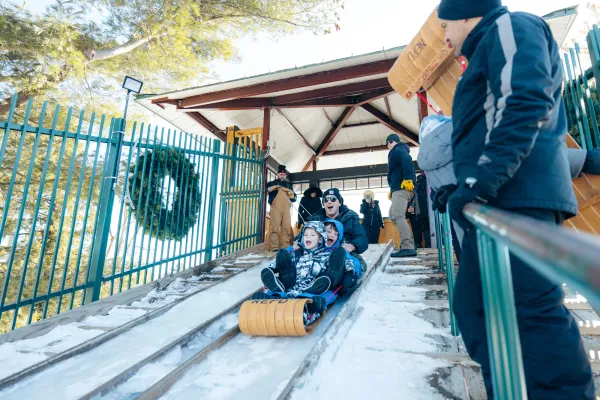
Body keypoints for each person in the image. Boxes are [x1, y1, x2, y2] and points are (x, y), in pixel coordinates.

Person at [438, 0, 595, 398]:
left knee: (532, 316)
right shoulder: (487, 47)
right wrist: (462, 187)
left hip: (516, 196)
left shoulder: (511, 26)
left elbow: (523, 100)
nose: (444, 37)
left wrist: (479, 180)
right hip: (495, 197)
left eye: (445, 26)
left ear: (465, 13)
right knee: (476, 311)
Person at [256, 221, 348, 322]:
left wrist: (350, 272)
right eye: (305, 234)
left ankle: (305, 311)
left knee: (316, 301)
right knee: (284, 261)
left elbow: (342, 265)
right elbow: (281, 264)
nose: (308, 237)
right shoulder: (297, 253)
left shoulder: (327, 255)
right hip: (292, 287)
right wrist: (271, 269)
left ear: (320, 238)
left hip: (312, 291)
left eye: (313, 235)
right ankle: (273, 297)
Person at [306, 188, 369, 294]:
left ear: (339, 202)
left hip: (343, 253)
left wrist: (352, 246)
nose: (329, 202)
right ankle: (286, 277)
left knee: (351, 264)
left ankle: (336, 280)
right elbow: (302, 236)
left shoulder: (350, 217)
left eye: (333, 199)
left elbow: (362, 238)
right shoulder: (316, 219)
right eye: (326, 200)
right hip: (318, 254)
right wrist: (297, 243)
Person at [386, 134, 417, 258]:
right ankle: (410, 244)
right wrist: (393, 189)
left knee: (397, 215)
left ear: (390, 142)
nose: (387, 146)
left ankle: (407, 247)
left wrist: (409, 179)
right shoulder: (398, 150)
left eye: (387, 144)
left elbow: (407, 159)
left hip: (402, 188)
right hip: (398, 189)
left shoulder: (398, 150)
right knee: (393, 214)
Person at [266, 165, 296, 252]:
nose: (282, 176)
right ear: (277, 174)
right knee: (274, 228)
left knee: (286, 228)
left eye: (283, 174)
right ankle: (274, 248)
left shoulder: (289, 185)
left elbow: (294, 199)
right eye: (280, 174)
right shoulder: (272, 183)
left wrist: (292, 195)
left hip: (286, 210)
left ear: (285, 176)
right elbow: (268, 189)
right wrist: (274, 188)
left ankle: (285, 248)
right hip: (276, 209)